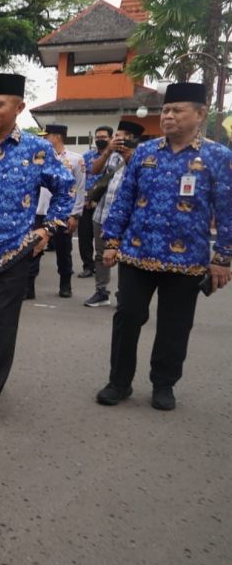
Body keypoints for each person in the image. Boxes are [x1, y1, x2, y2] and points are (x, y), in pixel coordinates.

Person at [97, 82, 231, 410]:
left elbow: (227, 208)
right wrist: (111, 241)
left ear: (200, 114)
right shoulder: (144, 151)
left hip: (186, 259)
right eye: (165, 110)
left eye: (176, 110)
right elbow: (125, 198)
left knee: (175, 324)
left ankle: (164, 383)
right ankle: (119, 382)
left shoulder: (218, 156)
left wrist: (223, 258)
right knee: (128, 316)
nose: (168, 116)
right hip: (136, 252)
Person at [0, 73, 74, 431]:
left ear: (19, 108)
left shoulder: (35, 149)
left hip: (13, 253)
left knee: (0, 326)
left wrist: (49, 228)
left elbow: (65, 189)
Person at [83, 120, 143, 308]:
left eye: (120, 135)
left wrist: (128, 155)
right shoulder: (112, 154)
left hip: (129, 218)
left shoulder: (144, 157)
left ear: (131, 138)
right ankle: (101, 292)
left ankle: (124, 294)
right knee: (101, 255)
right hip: (102, 214)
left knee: (127, 258)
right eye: (115, 135)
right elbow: (95, 170)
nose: (116, 138)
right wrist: (108, 151)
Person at [28, 124, 86, 298]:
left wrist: (75, 215)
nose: (43, 139)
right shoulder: (38, 158)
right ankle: (28, 287)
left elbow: (79, 189)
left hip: (62, 213)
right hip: (39, 211)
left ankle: (65, 284)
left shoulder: (76, 159)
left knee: (63, 250)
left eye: (47, 136)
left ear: (57, 137)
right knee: (33, 249)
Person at [79, 125, 115, 277]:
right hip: (88, 202)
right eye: (98, 138)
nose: (100, 140)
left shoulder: (117, 156)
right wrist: (85, 197)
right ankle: (88, 266)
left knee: (103, 238)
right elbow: (82, 178)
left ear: (111, 138)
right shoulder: (87, 156)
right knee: (84, 236)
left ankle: (102, 264)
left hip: (106, 204)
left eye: (103, 137)